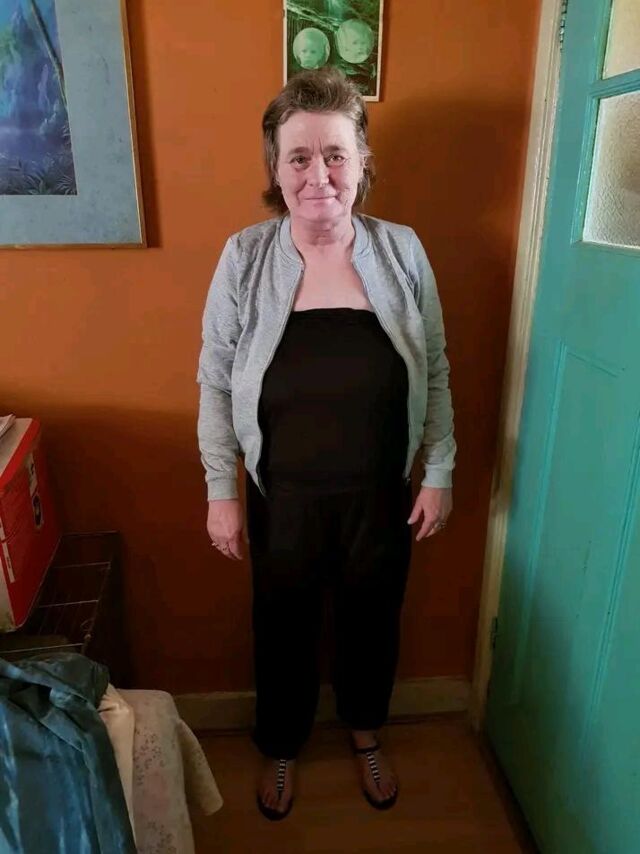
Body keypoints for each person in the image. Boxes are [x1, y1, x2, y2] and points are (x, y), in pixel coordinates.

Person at [197, 67, 456, 821]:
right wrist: (221, 491)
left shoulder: (401, 250)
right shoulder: (244, 258)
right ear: (276, 169)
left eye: (336, 155)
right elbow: (214, 380)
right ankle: (282, 742)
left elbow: (436, 367)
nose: (320, 176)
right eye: (300, 157)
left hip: (381, 493)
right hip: (282, 495)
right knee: (282, 627)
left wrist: (439, 469)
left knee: (373, 622)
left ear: (362, 162)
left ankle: (366, 733)